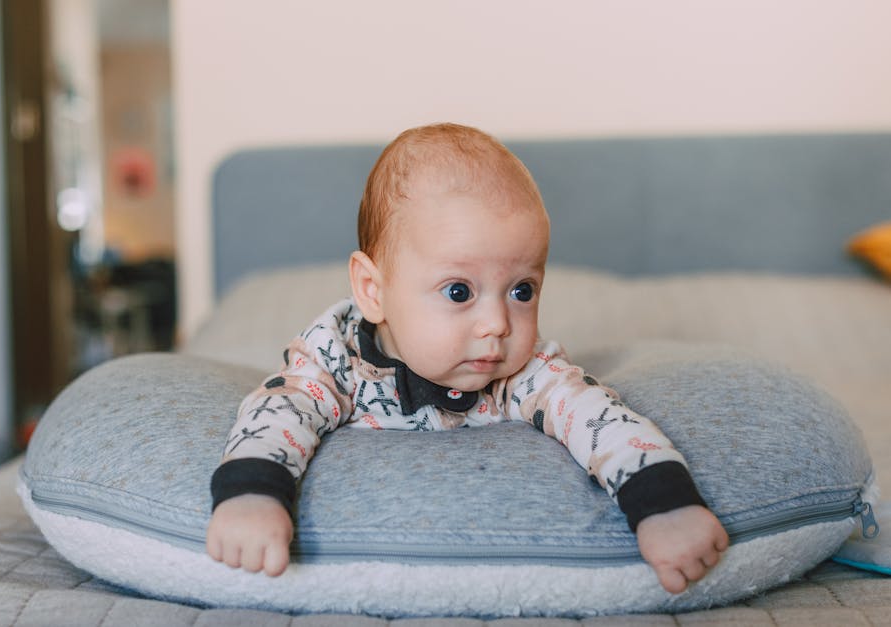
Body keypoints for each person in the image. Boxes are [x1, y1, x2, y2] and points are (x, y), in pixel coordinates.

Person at [206, 123, 728, 594]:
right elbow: (279, 413)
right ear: (373, 290)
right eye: (459, 291)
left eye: (522, 290)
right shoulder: (334, 360)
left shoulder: (525, 372)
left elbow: (598, 418)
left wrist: (663, 503)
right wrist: (252, 493)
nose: (498, 323)